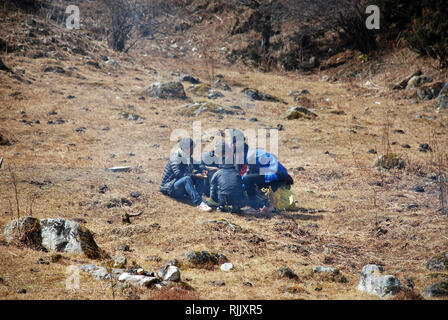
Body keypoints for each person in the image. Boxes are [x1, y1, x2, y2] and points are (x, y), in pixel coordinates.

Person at [230, 128, 293, 214]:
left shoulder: (250, 156)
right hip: (274, 175)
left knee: (247, 179)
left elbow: (247, 177)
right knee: (249, 180)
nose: (231, 146)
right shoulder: (247, 153)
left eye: (232, 143)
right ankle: (266, 204)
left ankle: (256, 207)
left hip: (276, 176)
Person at [160, 137, 212, 212]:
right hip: (170, 187)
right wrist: (194, 176)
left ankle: (199, 197)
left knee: (199, 175)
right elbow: (178, 174)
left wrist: (203, 169)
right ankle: (199, 203)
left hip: (179, 184)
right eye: (191, 148)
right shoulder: (176, 157)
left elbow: (197, 165)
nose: (193, 151)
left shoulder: (186, 156)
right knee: (187, 178)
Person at [209, 141, 245, 213]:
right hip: (237, 199)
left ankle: (221, 206)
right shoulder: (237, 173)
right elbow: (240, 187)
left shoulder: (217, 173)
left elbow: (212, 190)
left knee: (219, 188)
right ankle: (236, 206)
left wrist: (214, 199)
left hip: (223, 198)